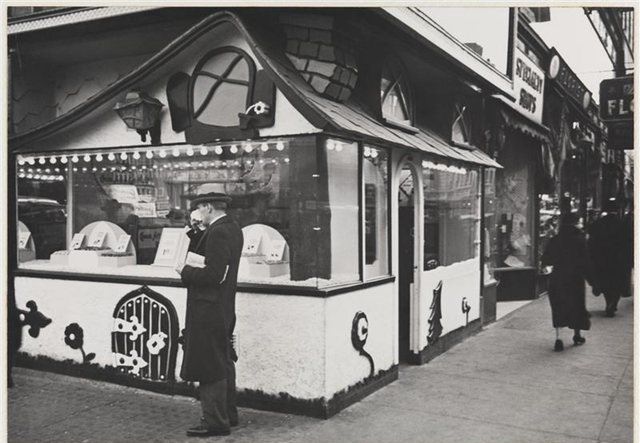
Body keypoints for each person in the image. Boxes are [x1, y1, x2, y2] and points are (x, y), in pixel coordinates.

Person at [175, 192, 243, 437]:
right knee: (223, 360)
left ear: (208, 207)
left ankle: (214, 421)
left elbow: (213, 274)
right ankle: (229, 414)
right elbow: (211, 257)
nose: (197, 213)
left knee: (209, 364)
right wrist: (195, 232)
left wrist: (185, 272)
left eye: (199, 208)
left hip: (208, 308)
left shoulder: (218, 232)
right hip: (223, 306)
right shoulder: (231, 227)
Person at [541, 213, 592, 351]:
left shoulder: (555, 240)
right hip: (575, 279)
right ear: (575, 224)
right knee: (576, 306)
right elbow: (586, 262)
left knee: (558, 307)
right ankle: (577, 335)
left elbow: (546, 259)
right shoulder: (580, 240)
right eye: (580, 222)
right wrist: (592, 280)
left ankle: (559, 338)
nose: (581, 225)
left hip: (558, 278)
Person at [588, 199, 626, 317]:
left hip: (602, 259)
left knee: (605, 282)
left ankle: (609, 301)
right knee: (617, 282)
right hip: (618, 259)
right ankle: (613, 302)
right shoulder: (621, 224)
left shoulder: (598, 223)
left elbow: (591, 241)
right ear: (616, 210)